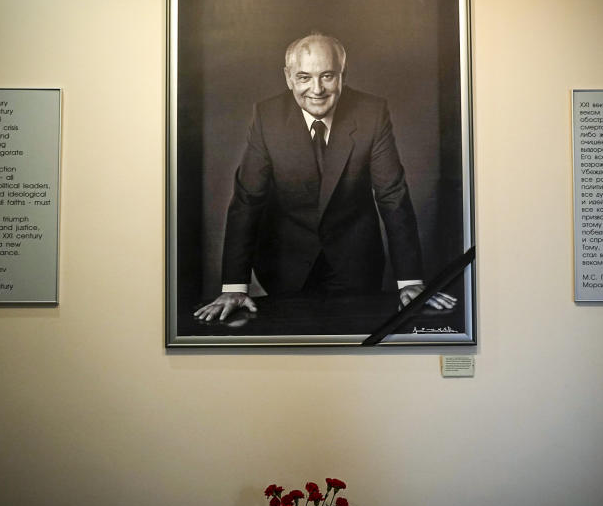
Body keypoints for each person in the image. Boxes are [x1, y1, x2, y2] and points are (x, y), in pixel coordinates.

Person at [194, 33, 455, 321]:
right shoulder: (267, 117)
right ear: (288, 77)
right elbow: (247, 201)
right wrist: (234, 286)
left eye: (327, 76)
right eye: (304, 77)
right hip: (283, 263)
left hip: (356, 262)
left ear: (343, 74)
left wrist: (410, 282)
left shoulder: (372, 113)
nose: (316, 89)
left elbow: (392, 195)